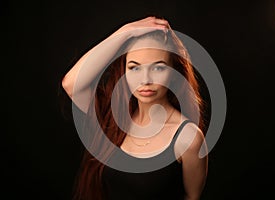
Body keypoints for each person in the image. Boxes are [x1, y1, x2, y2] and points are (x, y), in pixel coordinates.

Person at [61, 16, 208, 200]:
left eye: (158, 68)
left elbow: (193, 197)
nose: (145, 80)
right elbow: (71, 83)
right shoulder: (113, 118)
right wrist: (125, 32)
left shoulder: (188, 138)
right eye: (135, 68)